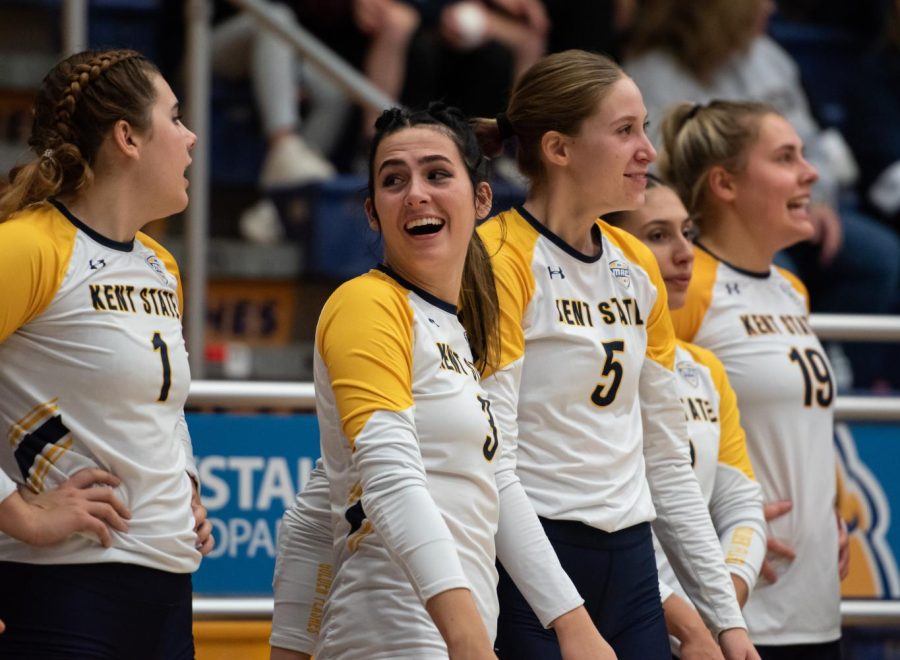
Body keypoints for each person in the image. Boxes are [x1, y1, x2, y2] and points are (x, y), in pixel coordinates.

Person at [270, 102, 610, 659]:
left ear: (481, 200)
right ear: (373, 212)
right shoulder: (366, 303)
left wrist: (572, 623)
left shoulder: (456, 332)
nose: (416, 194)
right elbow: (388, 477)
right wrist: (468, 637)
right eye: (393, 180)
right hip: (392, 637)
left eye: (437, 174)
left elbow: (317, 507)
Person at [472, 49, 756, 660]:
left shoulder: (636, 264)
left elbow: (666, 460)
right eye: (625, 131)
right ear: (558, 148)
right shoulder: (497, 258)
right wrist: (565, 616)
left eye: (644, 129)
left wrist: (728, 624)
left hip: (631, 566)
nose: (647, 151)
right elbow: (494, 464)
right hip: (531, 558)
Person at [0, 48, 213, 658]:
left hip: (168, 591)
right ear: (128, 137)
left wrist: (184, 483)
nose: (192, 136)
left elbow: (159, 408)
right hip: (58, 591)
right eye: (175, 117)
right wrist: (17, 512)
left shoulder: (160, 264)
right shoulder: (30, 247)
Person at [622, 0, 900, 389]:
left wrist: (816, 200)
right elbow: (660, 171)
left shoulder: (771, 58)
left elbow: (810, 142)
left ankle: (845, 375)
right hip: (710, 215)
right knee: (776, 267)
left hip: (792, 208)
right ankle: (777, 378)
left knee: (879, 257)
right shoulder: (651, 73)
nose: (771, 7)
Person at [657, 99, 849, 659]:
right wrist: (732, 529)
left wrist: (827, 508)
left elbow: (801, 424)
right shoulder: (688, 286)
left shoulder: (792, 289)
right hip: (738, 610)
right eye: (787, 157)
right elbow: (652, 429)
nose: (810, 173)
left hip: (815, 605)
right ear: (726, 184)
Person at [605, 178, 767, 657]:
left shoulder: (704, 369)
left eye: (688, 233)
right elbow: (592, 514)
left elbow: (742, 509)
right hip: (616, 616)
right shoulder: (589, 363)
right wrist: (686, 620)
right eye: (658, 235)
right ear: (611, 247)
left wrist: (723, 609)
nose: (685, 253)